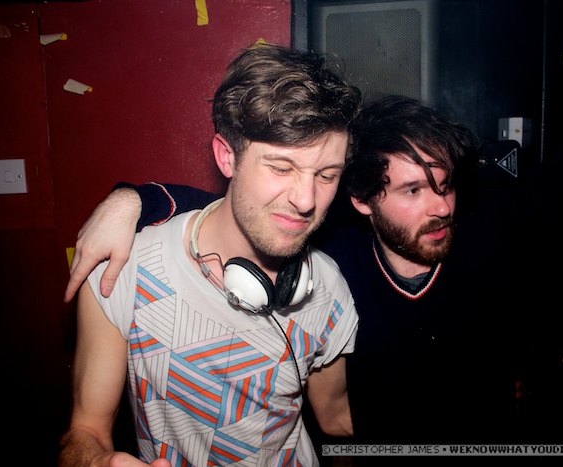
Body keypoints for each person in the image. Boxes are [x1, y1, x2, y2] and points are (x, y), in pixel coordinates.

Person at [65, 96, 527, 464]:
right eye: (413, 190)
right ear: (362, 201)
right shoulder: (335, 258)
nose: (442, 207)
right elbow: (245, 208)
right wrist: (133, 199)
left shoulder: (494, 241)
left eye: (446, 186)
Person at [58, 43, 362, 467]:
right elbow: (85, 432)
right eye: (281, 168)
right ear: (227, 157)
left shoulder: (327, 288)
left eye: (326, 175)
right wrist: (97, 462)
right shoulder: (124, 268)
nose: (306, 200)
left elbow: (336, 423)